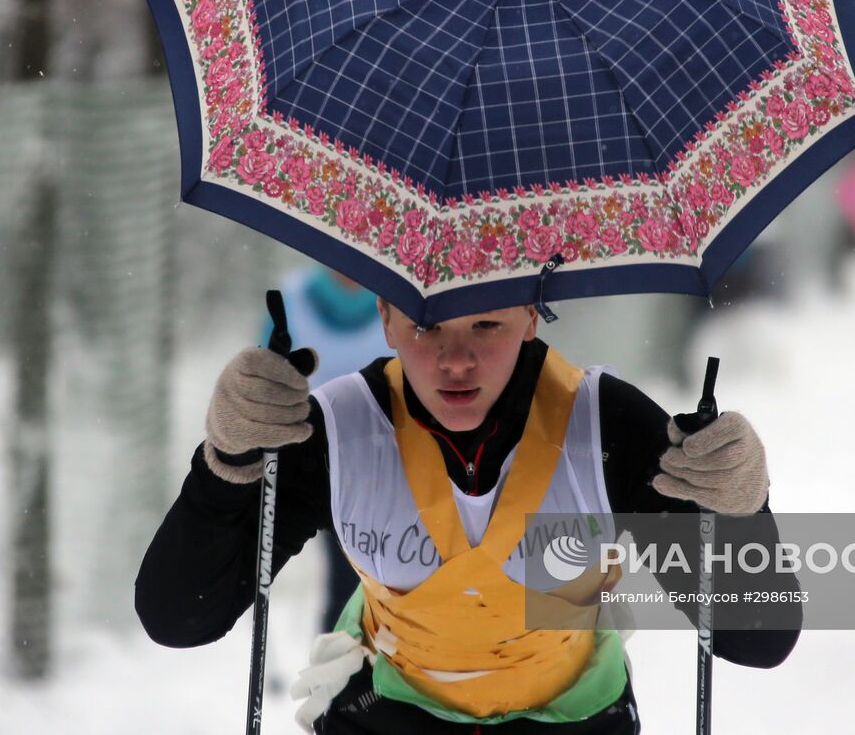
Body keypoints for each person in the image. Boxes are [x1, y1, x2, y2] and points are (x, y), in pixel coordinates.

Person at [137, 298, 800, 733]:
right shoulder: (342, 428)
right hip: (389, 713)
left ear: (532, 317)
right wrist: (225, 464)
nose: (457, 359)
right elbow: (179, 616)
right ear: (387, 318)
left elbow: (755, 639)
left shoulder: (606, 425)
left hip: (573, 716)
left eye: (487, 323)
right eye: (426, 324)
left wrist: (743, 508)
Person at [262, 266, 390, 635]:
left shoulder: (398, 298)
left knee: (377, 579)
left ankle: (354, 663)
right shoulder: (293, 299)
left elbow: (558, 612)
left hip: (391, 462)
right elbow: (266, 375)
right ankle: (342, 670)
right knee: (348, 577)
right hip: (323, 465)